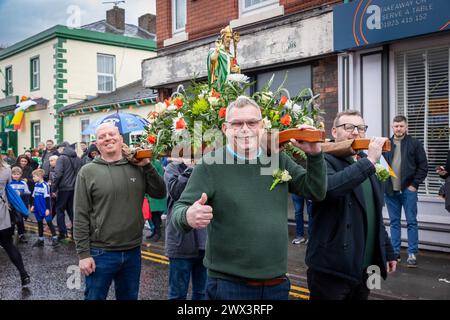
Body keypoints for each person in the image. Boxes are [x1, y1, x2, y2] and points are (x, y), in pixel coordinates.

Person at [171, 96, 327, 300]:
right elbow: (179, 209)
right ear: (226, 129)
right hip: (229, 286)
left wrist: (315, 155)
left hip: (277, 284)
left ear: (261, 126)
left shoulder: (277, 159)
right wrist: (187, 216)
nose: (245, 129)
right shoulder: (210, 164)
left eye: (252, 122)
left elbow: (315, 191)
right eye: (237, 123)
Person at [305, 110, 397, 300]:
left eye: (361, 128)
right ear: (333, 131)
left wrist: (387, 250)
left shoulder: (366, 162)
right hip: (332, 269)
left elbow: (374, 214)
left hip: (364, 269)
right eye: (348, 127)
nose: (355, 132)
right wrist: (371, 160)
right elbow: (329, 190)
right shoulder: (321, 159)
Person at [73, 122, 166, 300]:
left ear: (121, 139)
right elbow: (80, 215)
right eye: (102, 137)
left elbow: (160, 192)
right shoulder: (87, 172)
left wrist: (147, 165)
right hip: (100, 253)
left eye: (111, 134)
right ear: (97, 144)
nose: (108, 138)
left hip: (132, 251)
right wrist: (83, 255)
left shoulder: (137, 166)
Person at [383, 115, 428, 268]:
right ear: (392, 127)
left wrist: (414, 185)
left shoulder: (414, 144)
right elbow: (380, 166)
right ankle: (395, 253)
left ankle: (412, 253)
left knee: (411, 222)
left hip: (408, 190)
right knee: (394, 223)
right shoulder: (386, 144)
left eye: (401, 126)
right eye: (396, 126)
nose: (399, 129)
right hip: (391, 191)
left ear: (406, 127)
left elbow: (423, 166)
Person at [165, 159, 207, 300]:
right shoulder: (172, 168)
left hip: (206, 244)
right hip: (180, 244)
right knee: (177, 295)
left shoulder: (207, 166)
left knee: (202, 293)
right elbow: (176, 192)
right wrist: (190, 168)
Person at [0, 159, 30, 286]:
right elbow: (7, 187)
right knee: (8, 245)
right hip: (2, 215)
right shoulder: (6, 170)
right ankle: (23, 274)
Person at [53, 141, 82, 241]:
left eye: (58, 149)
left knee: (59, 210)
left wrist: (53, 188)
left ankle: (63, 233)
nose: (58, 151)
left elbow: (58, 174)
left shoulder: (62, 158)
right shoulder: (78, 158)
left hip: (64, 188)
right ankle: (75, 233)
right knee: (71, 211)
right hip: (75, 188)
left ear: (62, 148)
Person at [30, 169, 59, 247]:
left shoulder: (45, 185)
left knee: (49, 222)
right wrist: (33, 205)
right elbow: (34, 196)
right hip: (37, 207)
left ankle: (55, 238)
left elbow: (47, 198)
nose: (33, 178)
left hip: (45, 207)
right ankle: (40, 240)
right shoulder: (36, 185)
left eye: (34, 176)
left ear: (39, 177)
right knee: (39, 223)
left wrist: (47, 209)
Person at [207, 25, 240, 90]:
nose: (229, 40)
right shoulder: (214, 51)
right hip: (218, 87)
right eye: (227, 37)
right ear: (222, 37)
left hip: (229, 89)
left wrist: (237, 69)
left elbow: (235, 69)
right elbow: (212, 60)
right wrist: (217, 49)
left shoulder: (231, 55)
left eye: (230, 37)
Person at [146, 158, 167, 242]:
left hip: (155, 194)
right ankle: (154, 232)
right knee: (152, 216)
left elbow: (159, 176)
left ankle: (158, 233)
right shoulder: (150, 162)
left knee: (155, 215)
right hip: (150, 194)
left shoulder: (156, 163)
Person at [10, 166, 31, 243]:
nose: (16, 175)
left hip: (20, 204)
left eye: (18, 174)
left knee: (19, 220)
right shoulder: (9, 182)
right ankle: (10, 235)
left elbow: (28, 192)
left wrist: (21, 193)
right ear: (11, 174)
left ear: (21, 174)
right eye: (14, 174)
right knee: (11, 221)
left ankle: (21, 235)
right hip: (11, 204)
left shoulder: (23, 183)